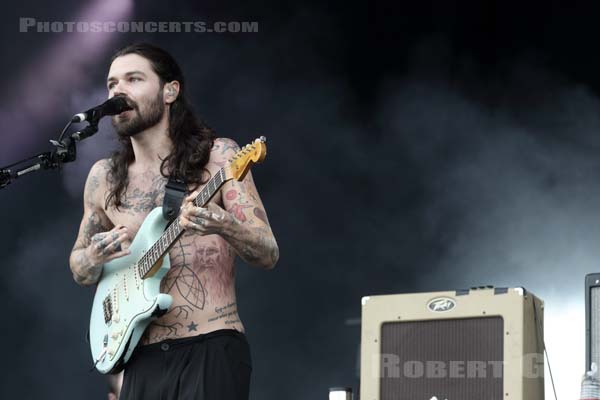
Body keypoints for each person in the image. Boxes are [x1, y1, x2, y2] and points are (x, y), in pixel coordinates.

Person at [68, 42, 279, 400]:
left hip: (210, 346)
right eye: (111, 84)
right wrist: (93, 257)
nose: (118, 91)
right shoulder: (102, 178)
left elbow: (268, 252)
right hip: (141, 356)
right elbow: (78, 267)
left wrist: (222, 224)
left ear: (170, 91)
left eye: (133, 79)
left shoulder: (219, 157)